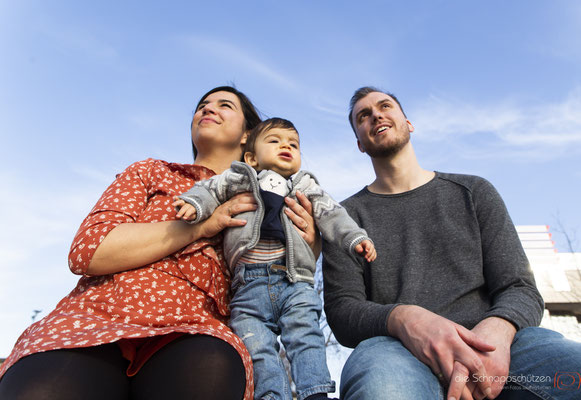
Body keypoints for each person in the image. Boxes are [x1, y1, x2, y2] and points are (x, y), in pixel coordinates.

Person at [0, 86, 320, 400]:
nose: (207, 109)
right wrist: (199, 227)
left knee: (208, 373)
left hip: (198, 328)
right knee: (42, 391)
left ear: (247, 137)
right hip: (97, 317)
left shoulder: (269, 198)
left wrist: (309, 248)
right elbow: (89, 251)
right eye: (203, 105)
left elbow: (276, 285)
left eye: (224, 105)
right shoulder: (152, 172)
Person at [322, 86, 581, 400]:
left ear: (408, 122)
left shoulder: (473, 191)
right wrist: (404, 318)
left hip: (500, 345)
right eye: (363, 116)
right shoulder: (342, 218)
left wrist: (496, 331)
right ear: (360, 144)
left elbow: (519, 287)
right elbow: (343, 312)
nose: (376, 114)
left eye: (385, 105)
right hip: (395, 352)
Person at [174, 117, 376, 400]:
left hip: (295, 281)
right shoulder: (239, 178)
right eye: (275, 141)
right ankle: (271, 395)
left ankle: (315, 393)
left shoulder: (306, 186)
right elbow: (210, 189)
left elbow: (332, 213)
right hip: (247, 287)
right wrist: (194, 204)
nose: (286, 146)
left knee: (306, 338)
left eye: (293, 144)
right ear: (251, 157)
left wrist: (355, 237)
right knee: (255, 345)